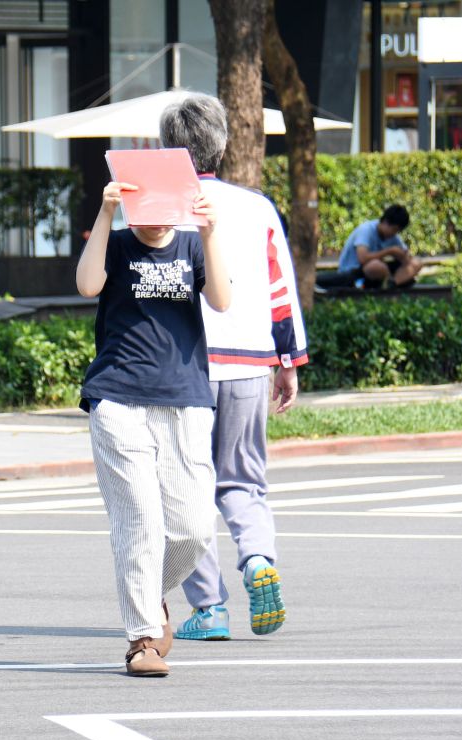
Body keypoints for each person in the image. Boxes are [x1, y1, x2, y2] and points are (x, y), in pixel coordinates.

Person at [158, 95, 309, 643]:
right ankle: (258, 561)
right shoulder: (258, 207)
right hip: (250, 361)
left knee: (185, 491)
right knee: (243, 480)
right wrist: (288, 361)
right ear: (221, 144)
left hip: (184, 367)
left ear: (167, 149)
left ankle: (209, 607)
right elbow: (280, 290)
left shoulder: (158, 206)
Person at [76, 168, 231, 677]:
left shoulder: (190, 245)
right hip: (118, 398)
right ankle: (142, 638)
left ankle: (148, 593)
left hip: (184, 399)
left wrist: (209, 232)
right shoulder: (118, 245)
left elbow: (223, 299)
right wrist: (105, 213)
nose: (153, 222)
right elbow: (86, 284)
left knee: (194, 528)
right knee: (140, 519)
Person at [333, 205, 421, 289]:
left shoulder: (393, 236)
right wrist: (389, 251)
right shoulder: (366, 230)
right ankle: (387, 283)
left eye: (397, 231)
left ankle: (392, 284)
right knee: (375, 266)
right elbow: (362, 258)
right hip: (353, 272)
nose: (394, 233)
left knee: (416, 263)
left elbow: (407, 256)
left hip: (378, 272)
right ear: (386, 222)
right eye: (394, 229)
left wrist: (403, 256)